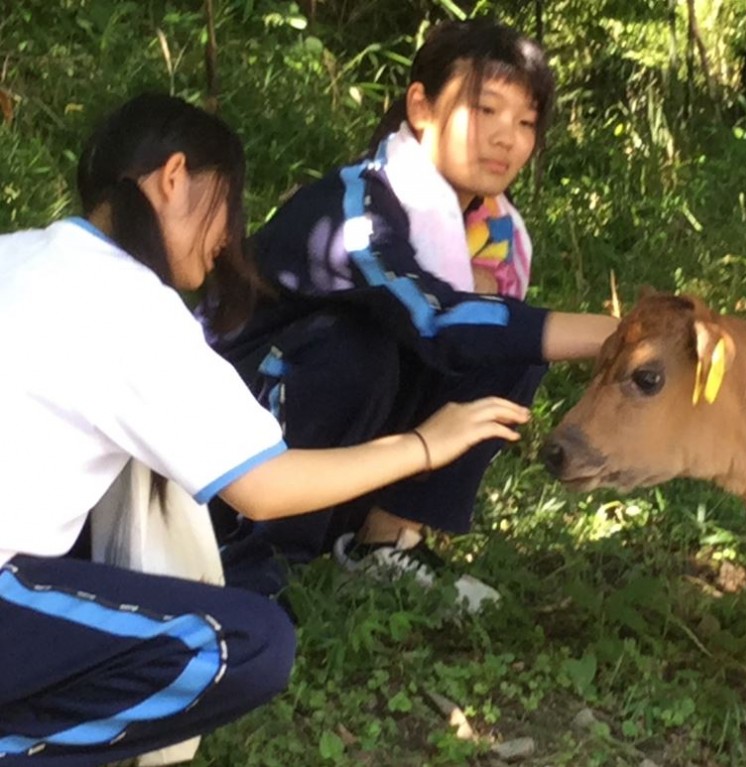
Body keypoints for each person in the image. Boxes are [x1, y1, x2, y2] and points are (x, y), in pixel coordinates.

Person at [0, 93, 532, 766]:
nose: (229, 233)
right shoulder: (128, 301)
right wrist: (425, 443)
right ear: (173, 178)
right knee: (244, 642)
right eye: (228, 202)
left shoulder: (17, 254)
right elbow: (264, 486)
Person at [205, 18, 618, 609]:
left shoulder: (488, 230)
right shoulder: (354, 211)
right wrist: (619, 336)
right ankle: (252, 557)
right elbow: (435, 320)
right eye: (486, 111)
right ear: (420, 107)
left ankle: (384, 542)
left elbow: (474, 329)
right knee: (358, 347)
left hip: (346, 444)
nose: (507, 138)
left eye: (525, 122)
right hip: (234, 450)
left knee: (508, 342)